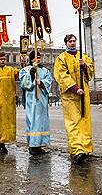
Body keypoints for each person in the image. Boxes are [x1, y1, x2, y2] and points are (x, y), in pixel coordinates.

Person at [53, 34, 94, 164]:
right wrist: (75, 88)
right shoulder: (61, 58)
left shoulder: (83, 56)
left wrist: (84, 66)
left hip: (84, 94)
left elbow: (90, 74)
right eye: (70, 41)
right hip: (70, 96)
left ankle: (86, 148)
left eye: (74, 41)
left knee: (84, 121)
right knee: (73, 122)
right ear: (65, 43)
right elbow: (61, 75)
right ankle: (77, 150)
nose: (72, 43)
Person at [20, 50, 53, 156]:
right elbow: (24, 83)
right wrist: (32, 73)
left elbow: (49, 81)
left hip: (42, 100)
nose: (37, 59)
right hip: (32, 100)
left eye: (39, 57)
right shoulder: (25, 70)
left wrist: (42, 82)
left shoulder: (45, 70)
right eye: (35, 57)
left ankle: (40, 144)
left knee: (42, 121)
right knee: (33, 120)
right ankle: (33, 145)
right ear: (31, 59)